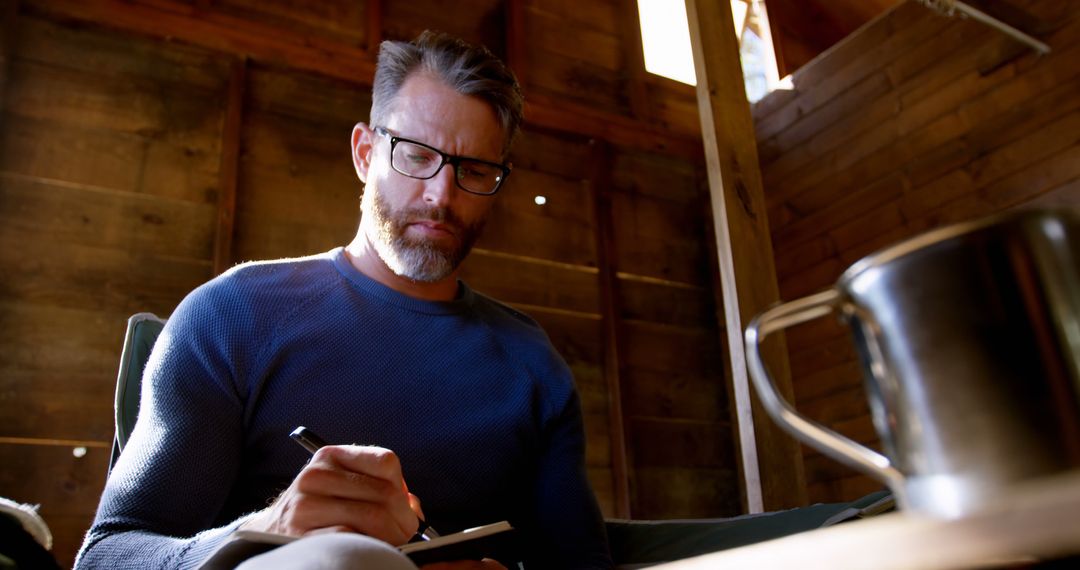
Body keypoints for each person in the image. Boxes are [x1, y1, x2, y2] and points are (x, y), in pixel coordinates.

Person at [75, 30, 612, 569]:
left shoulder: (531, 363)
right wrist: (264, 531)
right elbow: (106, 557)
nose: (440, 195)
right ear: (364, 152)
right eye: (417, 156)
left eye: (473, 171)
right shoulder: (232, 315)